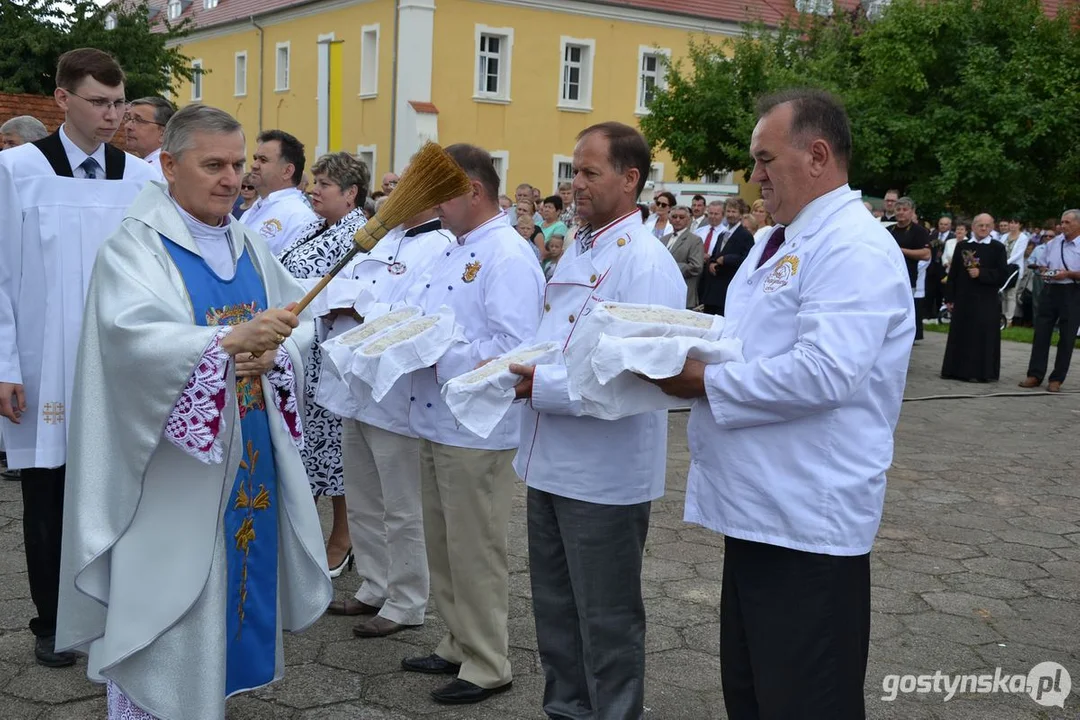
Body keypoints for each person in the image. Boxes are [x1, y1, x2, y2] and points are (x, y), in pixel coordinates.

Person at [55, 103, 331, 720]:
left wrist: (275, 354)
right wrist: (228, 345)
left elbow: (299, 323)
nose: (232, 179)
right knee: (170, 601)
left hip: (245, 455)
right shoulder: (135, 248)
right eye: (214, 165)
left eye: (238, 165)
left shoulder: (249, 243)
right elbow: (128, 342)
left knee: (227, 594)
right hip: (170, 476)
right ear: (171, 165)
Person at [650, 88, 914, 720]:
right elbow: (747, 341)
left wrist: (703, 382)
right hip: (760, 509)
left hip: (807, 520)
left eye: (765, 160)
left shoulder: (851, 245)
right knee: (756, 692)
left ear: (817, 154)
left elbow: (826, 373)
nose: (755, 176)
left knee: (805, 698)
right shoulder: (782, 239)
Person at [510, 121, 684, 720]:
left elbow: (646, 373)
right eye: (573, 171)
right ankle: (566, 711)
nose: (574, 184)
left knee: (606, 620)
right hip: (549, 458)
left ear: (630, 179)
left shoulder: (647, 262)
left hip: (604, 476)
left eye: (589, 172)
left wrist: (546, 384)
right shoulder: (580, 246)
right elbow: (556, 340)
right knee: (554, 612)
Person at [0, 48, 156, 668]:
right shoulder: (18, 171)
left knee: (125, 488)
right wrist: (5, 364)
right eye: (99, 102)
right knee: (49, 492)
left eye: (119, 103)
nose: (112, 115)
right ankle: (51, 617)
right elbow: (3, 276)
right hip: (47, 361)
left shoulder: (141, 179)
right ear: (62, 99)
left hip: (121, 363)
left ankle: (120, 609)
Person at [399, 144, 544, 705]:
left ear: (474, 192)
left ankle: (488, 661)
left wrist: (439, 354)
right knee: (444, 543)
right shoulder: (453, 249)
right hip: (438, 417)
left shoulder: (507, 254)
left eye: (442, 194)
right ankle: (459, 641)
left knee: (476, 548)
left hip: (477, 425)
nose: (433, 205)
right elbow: (427, 316)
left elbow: (515, 347)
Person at [318, 202, 453, 638]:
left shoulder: (443, 246)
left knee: (402, 505)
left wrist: (363, 310)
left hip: (396, 391)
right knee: (362, 497)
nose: (395, 196)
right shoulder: (382, 238)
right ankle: (375, 584)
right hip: (355, 383)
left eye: (406, 188)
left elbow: (422, 314)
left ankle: (408, 599)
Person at [275, 152, 370, 576]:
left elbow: (363, 290)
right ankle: (305, 535)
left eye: (324, 184)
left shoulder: (363, 235)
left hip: (332, 356)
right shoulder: (314, 228)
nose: (313, 189)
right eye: (314, 181)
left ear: (350, 194)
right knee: (311, 449)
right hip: (301, 354)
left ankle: (344, 538)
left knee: (337, 453)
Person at [941, 213, 1007, 382]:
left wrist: (982, 273)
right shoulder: (963, 246)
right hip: (963, 298)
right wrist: (950, 298)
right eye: (980, 225)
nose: (983, 228)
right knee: (961, 334)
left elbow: (1002, 275)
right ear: (973, 227)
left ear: (992, 227)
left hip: (986, 300)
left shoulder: (997, 248)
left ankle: (981, 373)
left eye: (987, 225)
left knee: (982, 337)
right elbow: (954, 273)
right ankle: (956, 370)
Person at [1020, 209, 1080, 393]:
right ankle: (1035, 374)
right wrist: (1045, 269)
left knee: (1067, 336)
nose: (1063, 226)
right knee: (1041, 332)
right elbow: (1042, 262)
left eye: (1068, 222)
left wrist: (1068, 274)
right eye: (1062, 222)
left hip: (1072, 290)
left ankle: (1057, 378)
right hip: (1051, 289)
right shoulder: (1054, 242)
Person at [239, 129, 319, 254]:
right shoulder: (257, 207)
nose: (254, 165)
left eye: (263, 160)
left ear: (287, 171)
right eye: (255, 158)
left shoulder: (299, 218)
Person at [698, 197, 754, 316]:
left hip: (728, 287)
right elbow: (715, 255)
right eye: (728, 211)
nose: (730, 215)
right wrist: (712, 263)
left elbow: (748, 259)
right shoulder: (722, 234)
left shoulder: (746, 235)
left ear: (741, 214)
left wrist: (727, 259)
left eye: (734, 212)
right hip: (713, 289)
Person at [889, 197, 931, 340]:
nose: (901, 213)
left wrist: (900, 251)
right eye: (898, 209)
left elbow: (926, 254)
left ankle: (904, 339)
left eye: (905, 210)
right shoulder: (889, 230)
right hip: (888, 276)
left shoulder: (919, 231)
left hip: (907, 277)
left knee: (905, 310)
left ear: (912, 212)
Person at [662, 204, 705, 308]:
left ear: (688, 220)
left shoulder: (695, 240)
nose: (677, 220)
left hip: (683, 293)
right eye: (674, 217)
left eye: (681, 217)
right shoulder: (663, 239)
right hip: (663, 292)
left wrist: (671, 267)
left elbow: (696, 267)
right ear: (669, 219)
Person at [124, 96, 175, 179]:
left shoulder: (158, 171)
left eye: (139, 120)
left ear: (163, 133)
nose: (127, 126)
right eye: (128, 118)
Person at [998, 218, 1029, 327]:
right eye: (1011, 223)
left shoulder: (1023, 237)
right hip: (1003, 268)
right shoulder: (1004, 236)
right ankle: (1002, 318)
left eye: (1015, 223)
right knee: (1003, 293)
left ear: (1019, 225)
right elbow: (999, 249)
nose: (1013, 225)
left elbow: (1019, 254)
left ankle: (1009, 319)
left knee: (1011, 294)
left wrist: (1005, 262)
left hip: (1014, 268)